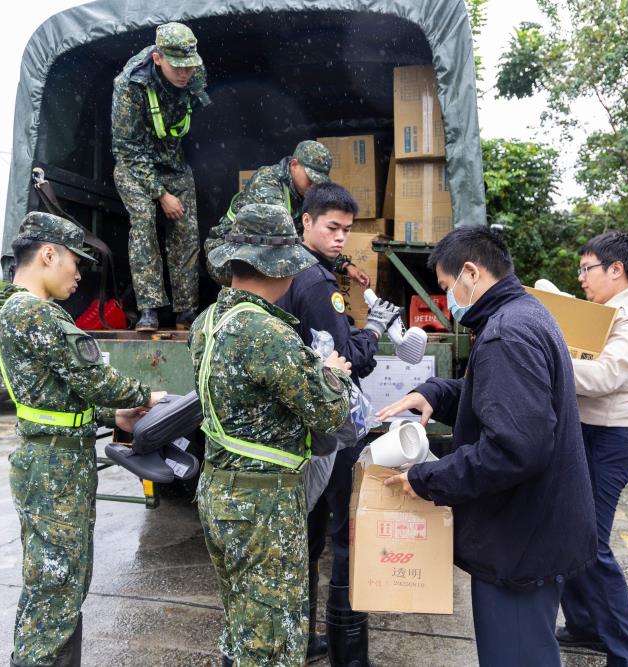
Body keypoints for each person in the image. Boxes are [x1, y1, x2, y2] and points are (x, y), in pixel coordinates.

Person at [378, 225, 597, 667]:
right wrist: (437, 393)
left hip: (520, 544)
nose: (448, 300)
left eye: (445, 287)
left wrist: (427, 479)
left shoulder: (505, 335)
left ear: (471, 273)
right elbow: (506, 401)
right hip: (538, 530)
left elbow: (515, 447)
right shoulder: (526, 313)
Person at [190, 203, 355, 667]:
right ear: (278, 268)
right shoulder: (266, 332)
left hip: (220, 491)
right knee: (274, 643)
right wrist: (332, 374)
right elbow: (327, 412)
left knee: (242, 624)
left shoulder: (209, 322)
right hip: (263, 505)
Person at [0, 212, 165, 667]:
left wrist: (115, 415)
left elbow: (61, 400)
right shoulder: (33, 313)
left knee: (62, 583)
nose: (79, 274)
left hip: (53, 460)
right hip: (54, 468)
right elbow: (95, 377)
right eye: (75, 261)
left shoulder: (20, 312)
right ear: (48, 254)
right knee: (54, 589)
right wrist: (147, 397)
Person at [276, 183, 401, 665]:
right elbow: (347, 358)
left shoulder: (288, 272)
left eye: (347, 231)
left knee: (309, 531)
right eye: (332, 228)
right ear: (305, 221)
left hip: (303, 427)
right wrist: (370, 331)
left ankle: (306, 640)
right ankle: (350, 657)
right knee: (348, 538)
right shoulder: (316, 283)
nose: (340, 239)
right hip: (332, 426)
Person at [555, 231, 628, 667]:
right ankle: (586, 625)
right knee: (572, 532)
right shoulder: (604, 313)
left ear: (616, 269)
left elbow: (605, 378)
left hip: (611, 440)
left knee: (591, 544)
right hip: (588, 434)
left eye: (587, 269)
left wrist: (552, 358)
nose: (582, 278)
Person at [112, 22, 210, 332]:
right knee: (144, 221)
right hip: (135, 163)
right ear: (158, 59)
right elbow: (126, 149)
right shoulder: (129, 86)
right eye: (178, 67)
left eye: (190, 67)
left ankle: (185, 312)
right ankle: (149, 309)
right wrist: (160, 194)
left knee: (186, 230)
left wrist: (172, 189)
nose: (186, 73)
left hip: (173, 162)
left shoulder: (195, 70)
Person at [204, 141, 372, 289]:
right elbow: (283, 243)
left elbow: (314, 236)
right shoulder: (267, 182)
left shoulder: (305, 192)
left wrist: (345, 265)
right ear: (294, 165)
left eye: (318, 182)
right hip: (226, 254)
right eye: (310, 178)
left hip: (263, 252)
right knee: (296, 272)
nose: (313, 186)